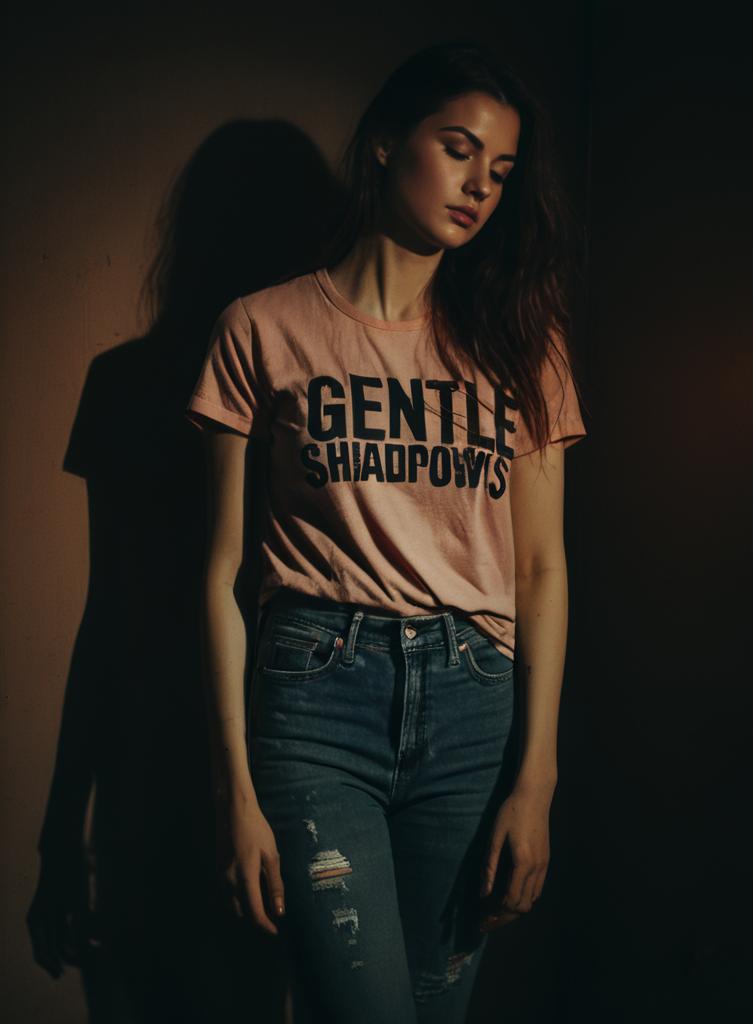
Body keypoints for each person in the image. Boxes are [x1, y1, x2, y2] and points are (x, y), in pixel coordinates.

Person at [185, 38, 588, 1024]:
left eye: (499, 172)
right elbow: (222, 573)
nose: (478, 188)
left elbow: (541, 570)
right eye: (458, 150)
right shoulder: (263, 328)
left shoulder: (520, 342)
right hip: (320, 697)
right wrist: (232, 790)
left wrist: (536, 780)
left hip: (474, 708)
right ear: (382, 145)